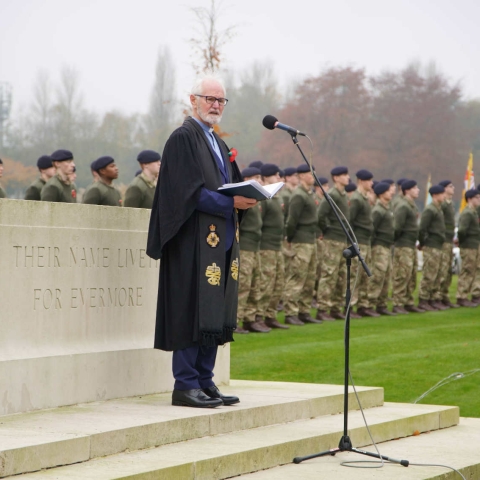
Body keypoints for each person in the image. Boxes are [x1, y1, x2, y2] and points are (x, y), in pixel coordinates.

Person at [147, 73, 256, 408]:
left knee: (214, 310)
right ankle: (185, 384)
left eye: (221, 100)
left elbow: (227, 185)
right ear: (192, 100)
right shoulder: (184, 138)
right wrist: (230, 203)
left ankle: (206, 381)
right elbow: (188, 193)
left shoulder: (217, 141)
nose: (215, 105)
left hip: (219, 239)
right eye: (209, 98)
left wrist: (249, 194)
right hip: (191, 242)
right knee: (190, 309)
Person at [283, 164, 322, 325]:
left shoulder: (309, 194)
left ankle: (304, 310)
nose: (312, 176)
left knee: (310, 278)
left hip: (310, 240)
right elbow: (292, 221)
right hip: (301, 240)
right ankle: (290, 312)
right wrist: (291, 238)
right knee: (297, 276)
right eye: (309, 174)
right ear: (301, 176)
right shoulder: (299, 195)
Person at [255, 163, 288, 329]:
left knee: (278, 282)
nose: (279, 178)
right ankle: (258, 315)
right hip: (266, 246)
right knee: (265, 283)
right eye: (275, 175)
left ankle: (270, 314)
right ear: (266, 177)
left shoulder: (277, 196)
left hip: (277, 246)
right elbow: (259, 223)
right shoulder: (263, 197)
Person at [237, 167, 269, 333]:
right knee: (243, 284)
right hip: (245, 247)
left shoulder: (256, 200)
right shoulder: (243, 200)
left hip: (255, 247)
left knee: (255, 284)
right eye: (257, 177)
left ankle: (250, 318)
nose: (260, 180)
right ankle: (236, 320)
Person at [316, 166, 351, 321]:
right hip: (332, 239)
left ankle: (336, 307)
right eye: (344, 175)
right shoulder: (332, 194)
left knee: (341, 275)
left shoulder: (343, 195)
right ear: (336, 178)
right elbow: (321, 215)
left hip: (342, 239)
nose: (347, 177)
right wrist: (327, 230)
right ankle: (323, 308)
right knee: (329, 274)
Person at [392, 180, 423, 314]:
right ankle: (398, 303)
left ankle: (408, 301)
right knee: (402, 274)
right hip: (403, 245)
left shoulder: (412, 206)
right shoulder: (403, 206)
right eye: (415, 188)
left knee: (411, 274)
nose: (418, 190)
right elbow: (397, 227)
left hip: (411, 245)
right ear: (407, 190)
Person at [349, 169, 377, 317]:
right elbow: (350, 221)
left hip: (366, 241)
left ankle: (363, 305)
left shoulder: (364, 198)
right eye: (369, 181)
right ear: (361, 181)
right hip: (358, 241)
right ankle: (351, 306)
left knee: (365, 275)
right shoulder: (356, 199)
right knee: (355, 275)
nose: (371, 183)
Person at [367, 182, 396, 316]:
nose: (391, 193)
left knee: (386, 275)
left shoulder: (386, 208)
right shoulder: (378, 210)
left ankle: (382, 304)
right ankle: (370, 302)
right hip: (379, 246)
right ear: (382, 194)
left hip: (386, 246)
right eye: (388, 191)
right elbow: (372, 230)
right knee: (377, 275)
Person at [418, 185, 447, 311]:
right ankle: (423, 299)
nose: (444, 196)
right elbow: (422, 228)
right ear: (435, 195)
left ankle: (432, 298)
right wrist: (423, 242)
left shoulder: (438, 209)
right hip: (431, 244)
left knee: (437, 273)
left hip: (438, 245)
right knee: (429, 273)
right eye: (442, 194)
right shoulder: (430, 210)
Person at [436, 180, 458, 308]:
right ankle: (438, 296)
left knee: (448, 270)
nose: (453, 188)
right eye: (450, 186)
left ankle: (444, 295)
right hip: (443, 240)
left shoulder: (450, 204)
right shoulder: (443, 204)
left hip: (449, 239)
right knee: (442, 269)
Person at [456, 189, 480, 307]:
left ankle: (465, 295)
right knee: (467, 271)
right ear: (470, 199)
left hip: (473, 245)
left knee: (472, 270)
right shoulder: (468, 213)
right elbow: (461, 230)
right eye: (477, 197)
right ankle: (462, 296)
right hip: (468, 246)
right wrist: (463, 242)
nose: (479, 199)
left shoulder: (473, 212)